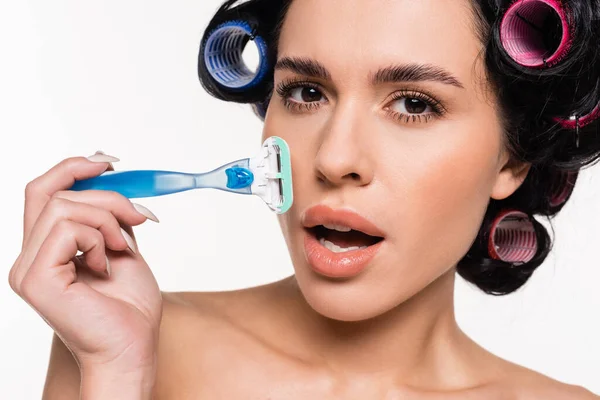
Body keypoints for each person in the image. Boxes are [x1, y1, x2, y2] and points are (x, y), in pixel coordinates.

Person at [9, 0, 600, 398]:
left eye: (414, 104)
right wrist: (115, 372)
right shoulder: (131, 344)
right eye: (306, 92)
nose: (334, 159)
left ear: (513, 157)